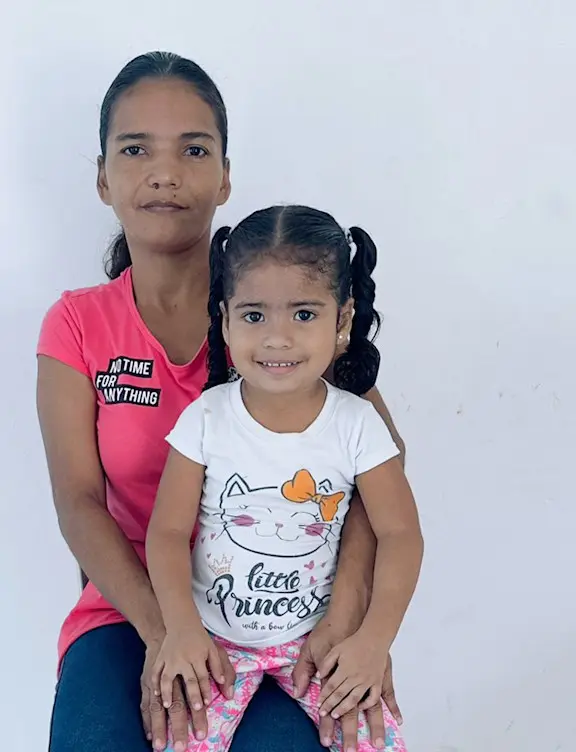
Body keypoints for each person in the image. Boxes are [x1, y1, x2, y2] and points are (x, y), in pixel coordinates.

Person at [36, 51, 408, 752]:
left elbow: (377, 474)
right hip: (131, 610)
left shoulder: (281, 318)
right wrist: (167, 633)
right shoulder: (77, 324)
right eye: (136, 148)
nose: (165, 172)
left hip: (288, 619)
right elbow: (78, 503)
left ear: (226, 175)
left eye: (194, 149)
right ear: (102, 176)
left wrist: (353, 621)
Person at [146, 204, 424, 752]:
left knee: (375, 741)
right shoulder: (206, 419)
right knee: (179, 739)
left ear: (342, 320)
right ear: (225, 320)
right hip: (215, 643)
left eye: (303, 314)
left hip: (318, 643)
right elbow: (168, 533)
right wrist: (181, 629)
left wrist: (372, 640)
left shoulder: (357, 424)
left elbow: (400, 535)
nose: (277, 338)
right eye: (254, 316)